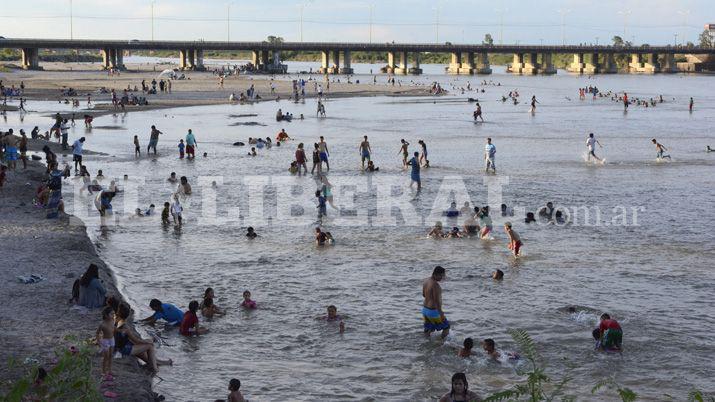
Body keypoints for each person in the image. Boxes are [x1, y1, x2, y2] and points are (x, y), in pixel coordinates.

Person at [115, 303, 172, 373]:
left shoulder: (116, 320)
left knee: (146, 351)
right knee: (150, 346)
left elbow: (131, 340)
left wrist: (145, 341)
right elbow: (136, 341)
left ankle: (159, 363)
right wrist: (148, 341)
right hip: (124, 349)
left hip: (121, 346)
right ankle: (155, 369)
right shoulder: (125, 327)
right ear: (128, 314)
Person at [422, 266, 449, 339]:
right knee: (446, 327)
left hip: (425, 310)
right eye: (441, 275)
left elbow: (424, 295)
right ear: (435, 274)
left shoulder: (426, 281)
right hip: (433, 311)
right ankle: (441, 344)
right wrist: (441, 314)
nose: (442, 278)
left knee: (429, 328)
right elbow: (437, 302)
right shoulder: (436, 285)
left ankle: (426, 341)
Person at [96, 306, 115, 379]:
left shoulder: (112, 320)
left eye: (114, 314)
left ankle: (109, 370)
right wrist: (98, 342)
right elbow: (97, 333)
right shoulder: (102, 324)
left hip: (112, 339)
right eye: (111, 314)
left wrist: (119, 330)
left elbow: (113, 328)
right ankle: (103, 372)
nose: (113, 315)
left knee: (110, 355)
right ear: (106, 315)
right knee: (105, 357)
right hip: (105, 341)